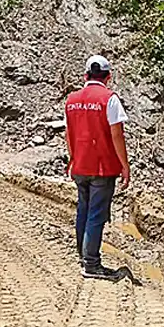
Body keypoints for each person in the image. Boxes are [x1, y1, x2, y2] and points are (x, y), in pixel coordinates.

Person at [64, 54, 130, 280]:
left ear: (85, 75)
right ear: (108, 77)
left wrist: (72, 159)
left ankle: (84, 256)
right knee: (96, 214)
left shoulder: (71, 99)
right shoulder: (109, 99)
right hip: (102, 168)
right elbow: (116, 135)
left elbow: (68, 134)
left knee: (83, 209)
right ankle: (91, 264)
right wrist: (125, 166)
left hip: (80, 165)